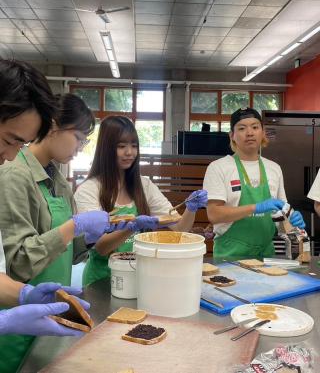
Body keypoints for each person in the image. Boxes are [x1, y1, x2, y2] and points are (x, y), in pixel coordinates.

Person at [0, 91, 115, 373]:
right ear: (53, 125)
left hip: (49, 309)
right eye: (79, 137)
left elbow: (69, 253)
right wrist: (73, 226)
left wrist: (90, 236)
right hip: (17, 319)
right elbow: (20, 261)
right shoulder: (14, 173)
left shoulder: (58, 179)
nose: (80, 147)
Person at [75, 115, 208, 286]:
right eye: (121, 146)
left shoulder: (144, 185)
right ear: (105, 149)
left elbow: (180, 227)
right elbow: (101, 247)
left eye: (134, 146)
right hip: (101, 281)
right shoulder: (89, 190)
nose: (129, 152)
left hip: (140, 278)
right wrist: (132, 227)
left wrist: (191, 208)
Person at [203, 107, 305, 260]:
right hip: (230, 255)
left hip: (266, 256)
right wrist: (255, 208)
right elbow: (214, 214)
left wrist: (291, 220)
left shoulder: (274, 169)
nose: (249, 133)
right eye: (242, 128)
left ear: (263, 133)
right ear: (232, 135)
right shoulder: (219, 167)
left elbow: (280, 220)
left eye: (255, 127)